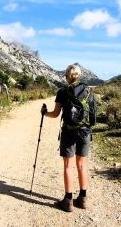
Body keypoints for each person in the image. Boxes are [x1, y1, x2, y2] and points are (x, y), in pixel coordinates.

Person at [40, 64, 94, 212]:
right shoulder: (89, 91)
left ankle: (68, 201)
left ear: (67, 76)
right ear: (79, 76)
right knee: (82, 165)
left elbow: (55, 114)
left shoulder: (62, 92)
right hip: (85, 132)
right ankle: (83, 199)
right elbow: (92, 115)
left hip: (69, 132)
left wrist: (44, 112)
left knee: (68, 166)